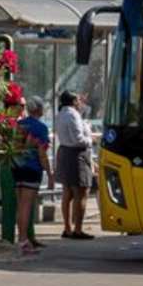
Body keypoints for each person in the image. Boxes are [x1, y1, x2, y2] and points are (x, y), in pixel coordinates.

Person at [54, 90, 95, 239]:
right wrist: (90, 140)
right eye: (78, 100)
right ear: (73, 101)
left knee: (67, 192)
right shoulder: (73, 115)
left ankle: (67, 228)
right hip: (76, 155)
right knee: (81, 192)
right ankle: (77, 229)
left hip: (65, 152)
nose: (80, 102)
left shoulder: (61, 114)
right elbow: (78, 139)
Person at [14, 97, 51, 253]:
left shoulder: (19, 124)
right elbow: (42, 153)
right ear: (39, 109)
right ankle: (23, 241)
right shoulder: (41, 128)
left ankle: (22, 239)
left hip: (17, 168)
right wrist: (50, 173)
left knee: (20, 206)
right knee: (26, 207)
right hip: (32, 168)